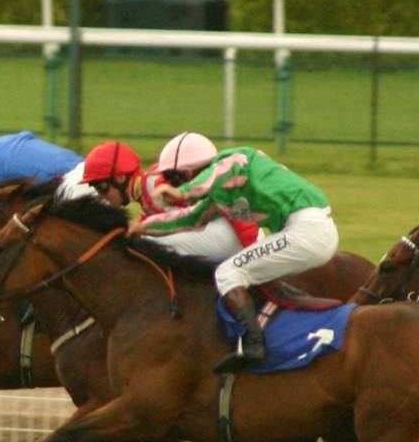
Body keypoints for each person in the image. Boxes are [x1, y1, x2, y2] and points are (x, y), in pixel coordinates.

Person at [136, 132, 338, 373]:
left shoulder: (236, 159)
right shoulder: (222, 194)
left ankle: (254, 346)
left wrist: (184, 192)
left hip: (308, 228)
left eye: (173, 176)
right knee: (246, 273)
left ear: (189, 170)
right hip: (305, 231)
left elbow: (219, 173)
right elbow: (190, 219)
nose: (171, 183)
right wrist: (142, 228)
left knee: (228, 273)